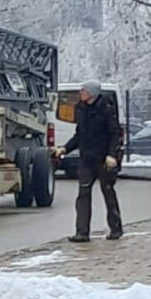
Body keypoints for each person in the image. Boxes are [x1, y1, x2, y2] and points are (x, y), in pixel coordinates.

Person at [53, 80, 123, 242]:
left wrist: (112, 155)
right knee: (83, 194)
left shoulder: (106, 109)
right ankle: (82, 232)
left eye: (83, 91)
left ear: (92, 93)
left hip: (104, 159)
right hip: (86, 158)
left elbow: (114, 133)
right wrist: (65, 148)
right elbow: (79, 135)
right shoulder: (81, 108)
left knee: (108, 192)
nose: (80, 93)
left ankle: (116, 228)